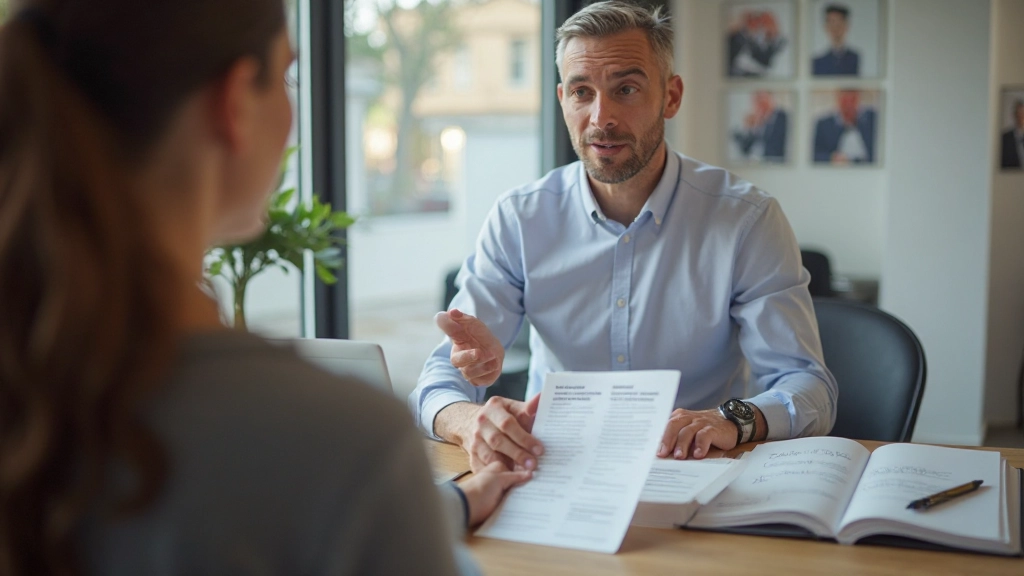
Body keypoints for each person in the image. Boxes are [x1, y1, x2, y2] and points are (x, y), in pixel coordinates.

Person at [0, 1, 528, 574]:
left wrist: (440, 507)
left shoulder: (34, 384)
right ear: (234, 104)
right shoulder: (344, 440)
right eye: (286, 76)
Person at [410, 1, 837, 474]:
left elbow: (808, 384)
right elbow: (439, 382)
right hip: (554, 467)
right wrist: (469, 420)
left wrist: (731, 420)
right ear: (562, 100)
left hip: (691, 467)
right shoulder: (519, 219)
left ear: (671, 97)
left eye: (626, 89)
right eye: (581, 92)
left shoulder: (747, 220)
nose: (601, 117)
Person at [813, 89, 877, 164]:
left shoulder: (872, 120)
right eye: (845, 101)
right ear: (838, 101)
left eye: (852, 101)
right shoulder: (824, 124)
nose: (848, 106)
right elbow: (815, 155)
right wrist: (832, 158)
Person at [726, 9, 786, 77]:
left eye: (764, 22)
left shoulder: (778, 44)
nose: (759, 26)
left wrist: (773, 34)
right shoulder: (739, 38)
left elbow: (765, 63)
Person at [732, 90, 788, 162]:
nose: (759, 104)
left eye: (762, 98)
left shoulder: (782, 116)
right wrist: (752, 128)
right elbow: (745, 149)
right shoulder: (759, 121)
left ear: (770, 98)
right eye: (756, 101)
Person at [812, 4, 860, 76]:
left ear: (846, 25)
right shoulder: (818, 62)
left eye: (838, 23)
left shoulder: (855, 57)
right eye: (831, 23)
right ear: (826, 27)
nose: (835, 28)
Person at [1000, 100, 1024, 169]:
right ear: (1015, 115)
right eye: (1019, 114)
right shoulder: (1005, 138)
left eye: (1022, 113)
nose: (1021, 117)